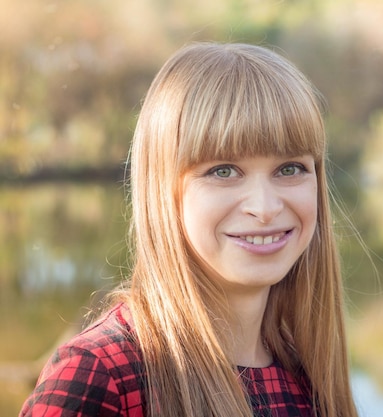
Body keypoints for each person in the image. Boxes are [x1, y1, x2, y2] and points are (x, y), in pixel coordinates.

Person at [20, 42, 359, 417]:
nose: (264, 208)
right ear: (164, 189)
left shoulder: (305, 374)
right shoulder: (102, 376)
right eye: (223, 171)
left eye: (290, 168)